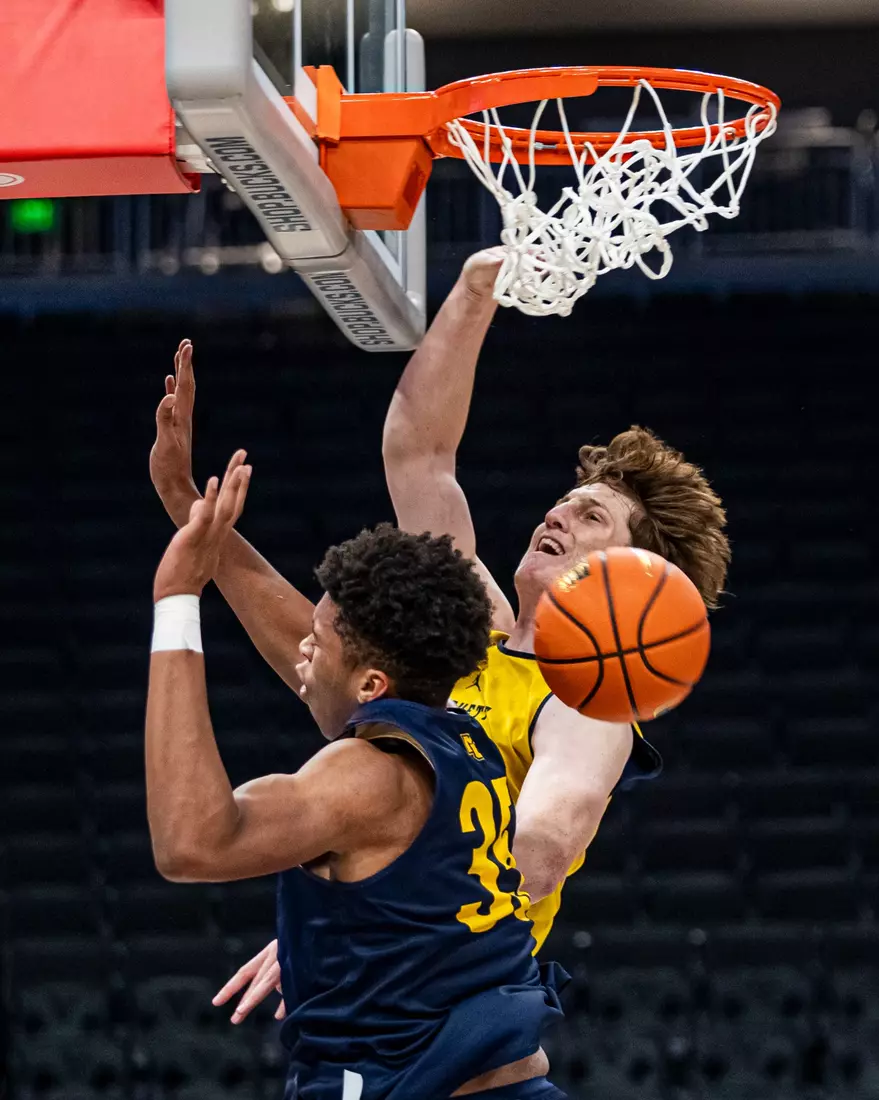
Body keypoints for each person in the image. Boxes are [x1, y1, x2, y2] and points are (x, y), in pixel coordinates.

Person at [150, 251, 730, 1019]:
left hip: (455, 1006)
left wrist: (373, 910)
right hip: (377, 1003)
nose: (556, 514)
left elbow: (546, 841)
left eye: (590, 516)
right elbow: (416, 458)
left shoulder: (588, 698)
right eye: (563, 501)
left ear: (632, 573)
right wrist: (475, 287)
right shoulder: (468, 628)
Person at [147, 463, 567, 1100]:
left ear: (373, 683)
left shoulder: (371, 776)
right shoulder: (465, 736)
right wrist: (193, 514)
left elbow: (192, 844)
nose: (302, 650)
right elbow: (310, 641)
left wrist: (177, 599)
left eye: (316, 642)